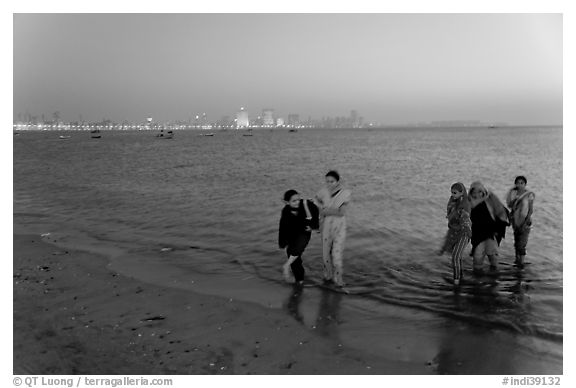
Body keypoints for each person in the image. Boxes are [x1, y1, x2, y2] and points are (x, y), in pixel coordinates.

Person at [315, 171, 351, 287]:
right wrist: (318, 222)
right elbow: (316, 206)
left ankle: (339, 278)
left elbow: (341, 213)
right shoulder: (322, 193)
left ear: (338, 181)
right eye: (327, 181)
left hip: (339, 226)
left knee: (336, 254)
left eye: (332, 181)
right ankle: (328, 276)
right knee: (325, 253)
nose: (329, 184)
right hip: (326, 226)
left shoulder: (345, 194)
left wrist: (325, 211)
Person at [278, 189, 320, 285]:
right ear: (286, 202)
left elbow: (315, 211)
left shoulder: (306, 204)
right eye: (294, 201)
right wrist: (282, 243)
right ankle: (299, 280)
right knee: (292, 256)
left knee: (298, 249)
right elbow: (283, 227)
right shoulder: (285, 210)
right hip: (292, 234)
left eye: (298, 199)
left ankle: (286, 266)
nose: (297, 202)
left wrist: (314, 226)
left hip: (305, 231)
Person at [468, 181, 510, 274]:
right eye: (475, 191)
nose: (478, 193)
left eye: (480, 191)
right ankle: (477, 278)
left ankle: (494, 277)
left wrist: (499, 229)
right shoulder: (469, 202)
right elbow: (472, 206)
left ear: (483, 191)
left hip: (491, 232)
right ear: (471, 192)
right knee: (478, 256)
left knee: (493, 255)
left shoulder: (491, 199)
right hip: (477, 234)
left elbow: (502, 212)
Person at [438, 182, 472, 285]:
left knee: (455, 256)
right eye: (452, 192)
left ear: (462, 193)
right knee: (457, 257)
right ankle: (460, 276)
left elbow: (465, 221)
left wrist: (460, 216)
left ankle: (456, 281)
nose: (453, 195)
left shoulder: (464, 204)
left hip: (463, 232)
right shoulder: (452, 201)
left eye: (455, 193)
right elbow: (450, 215)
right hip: (453, 231)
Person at [506, 176, 535, 267]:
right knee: (516, 241)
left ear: (525, 184)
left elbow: (530, 209)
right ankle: (517, 260)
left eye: (522, 183)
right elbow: (510, 206)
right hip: (516, 220)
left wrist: (526, 220)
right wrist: (515, 200)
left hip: (525, 221)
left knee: (522, 244)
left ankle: (521, 263)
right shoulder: (513, 193)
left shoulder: (529, 195)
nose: (519, 185)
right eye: (518, 183)